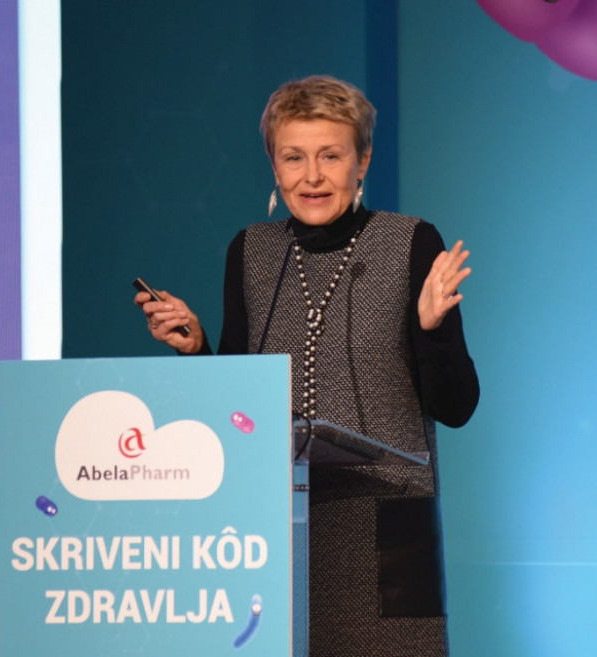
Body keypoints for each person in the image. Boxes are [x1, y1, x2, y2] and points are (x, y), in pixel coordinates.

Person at [135, 75, 479, 657]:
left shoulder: (412, 243)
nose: (312, 176)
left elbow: (457, 407)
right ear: (274, 165)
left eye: (330, 156)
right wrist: (196, 352)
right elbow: (238, 414)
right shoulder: (251, 251)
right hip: (277, 530)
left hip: (389, 528)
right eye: (294, 157)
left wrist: (432, 329)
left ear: (362, 161)